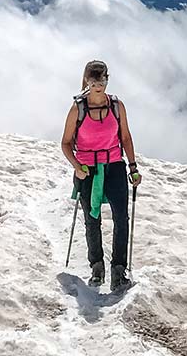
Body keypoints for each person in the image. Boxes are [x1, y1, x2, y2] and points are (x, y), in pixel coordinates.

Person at [60, 59, 142, 291]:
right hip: (87, 169)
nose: (99, 85)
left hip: (114, 164)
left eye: (102, 80)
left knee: (121, 218)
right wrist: (76, 166)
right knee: (92, 219)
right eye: (94, 80)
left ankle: (118, 269)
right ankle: (97, 266)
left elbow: (125, 137)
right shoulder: (78, 108)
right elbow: (66, 143)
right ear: (87, 80)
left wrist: (133, 167)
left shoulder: (117, 106)